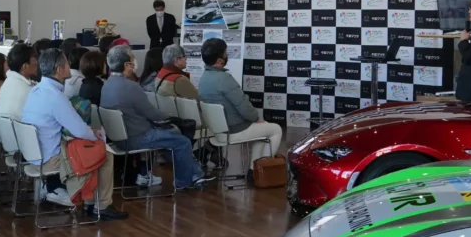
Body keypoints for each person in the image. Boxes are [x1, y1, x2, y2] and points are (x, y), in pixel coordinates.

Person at [22, 49, 128, 220]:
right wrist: (96, 136)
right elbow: (79, 130)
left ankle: (90, 202)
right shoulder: (55, 96)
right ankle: (102, 205)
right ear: (59, 70)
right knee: (104, 153)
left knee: (89, 147)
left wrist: (88, 134)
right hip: (49, 158)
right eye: (67, 64)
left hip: (34, 153)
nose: (70, 67)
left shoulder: (36, 91)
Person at [101, 45, 213, 191]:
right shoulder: (131, 86)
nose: (135, 62)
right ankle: (183, 182)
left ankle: (196, 175)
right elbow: (152, 113)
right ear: (127, 65)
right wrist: (169, 116)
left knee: (171, 137)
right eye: (133, 59)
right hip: (138, 136)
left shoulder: (107, 84)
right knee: (183, 141)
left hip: (119, 137)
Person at [197, 38, 282, 171]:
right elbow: (243, 105)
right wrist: (256, 118)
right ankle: (262, 170)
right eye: (225, 53)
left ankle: (255, 169)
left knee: (263, 130)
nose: (227, 55)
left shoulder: (203, 78)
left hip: (218, 130)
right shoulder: (224, 79)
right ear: (219, 59)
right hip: (234, 130)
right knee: (276, 129)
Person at [0, 43, 37, 119]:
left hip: (4, 129)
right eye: (34, 60)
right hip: (23, 129)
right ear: (25, 66)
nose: (37, 63)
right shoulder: (29, 90)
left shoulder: (8, 82)